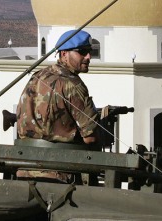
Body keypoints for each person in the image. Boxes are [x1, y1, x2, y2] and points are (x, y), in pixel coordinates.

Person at [15, 30, 99, 182]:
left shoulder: (37, 76)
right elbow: (90, 138)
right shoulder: (72, 84)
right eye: (82, 52)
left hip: (25, 171)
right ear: (64, 54)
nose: (88, 57)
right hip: (59, 176)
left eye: (89, 52)